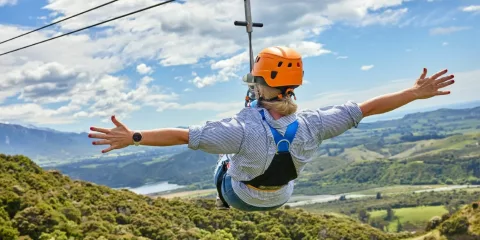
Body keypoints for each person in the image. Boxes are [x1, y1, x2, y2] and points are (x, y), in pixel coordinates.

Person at [88, 46, 455, 212]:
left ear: (259, 87)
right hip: (282, 196)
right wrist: (414, 92)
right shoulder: (315, 122)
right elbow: (370, 107)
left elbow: (183, 135)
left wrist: (133, 137)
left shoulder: (239, 129)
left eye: (254, 83)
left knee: (222, 160)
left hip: (240, 198)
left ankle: (223, 191)